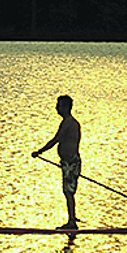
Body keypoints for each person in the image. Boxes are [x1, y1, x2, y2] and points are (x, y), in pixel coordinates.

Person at [32, 95, 81, 230]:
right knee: (67, 191)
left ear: (65, 107)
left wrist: (39, 151)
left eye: (59, 106)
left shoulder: (69, 123)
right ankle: (72, 217)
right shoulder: (68, 122)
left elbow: (56, 140)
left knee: (68, 191)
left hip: (71, 162)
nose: (56, 108)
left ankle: (72, 222)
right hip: (67, 162)